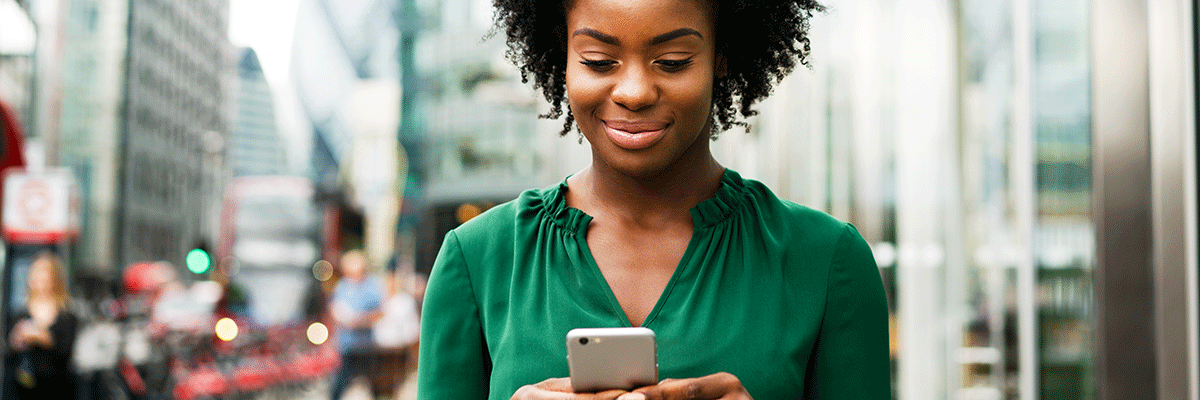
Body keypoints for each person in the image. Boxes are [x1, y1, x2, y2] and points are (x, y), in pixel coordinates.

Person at [418, 0, 891, 399]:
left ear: (721, 54)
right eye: (599, 62)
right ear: (561, 53)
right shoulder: (477, 260)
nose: (635, 92)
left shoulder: (827, 262)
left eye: (673, 61)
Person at [4, 251, 78, 399]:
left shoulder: (66, 315)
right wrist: (16, 341)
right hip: (23, 389)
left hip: (57, 388)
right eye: (36, 272)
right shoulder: (19, 314)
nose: (40, 277)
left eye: (44, 272)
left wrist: (43, 337)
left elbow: (65, 352)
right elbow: (8, 353)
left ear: (55, 278)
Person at [329, 250, 385, 400]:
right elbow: (333, 307)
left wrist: (359, 321)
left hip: (365, 346)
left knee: (372, 384)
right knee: (339, 384)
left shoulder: (372, 285)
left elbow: (379, 312)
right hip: (346, 344)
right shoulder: (342, 285)